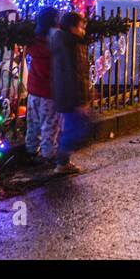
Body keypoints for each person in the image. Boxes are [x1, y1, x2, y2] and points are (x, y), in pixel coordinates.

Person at [49, 11, 92, 175]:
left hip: (67, 95)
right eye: (81, 27)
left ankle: (63, 159)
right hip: (71, 97)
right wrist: (80, 101)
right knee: (74, 130)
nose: (83, 31)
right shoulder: (70, 46)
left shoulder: (67, 43)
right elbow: (75, 75)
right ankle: (61, 161)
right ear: (72, 28)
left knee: (74, 127)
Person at [24, 7, 61, 166]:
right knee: (49, 124)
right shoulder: (54, 43)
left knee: (33, 122)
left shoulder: (33, 41)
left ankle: (31, 150)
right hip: (49, 91)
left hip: (33, 90)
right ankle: (48, 154)